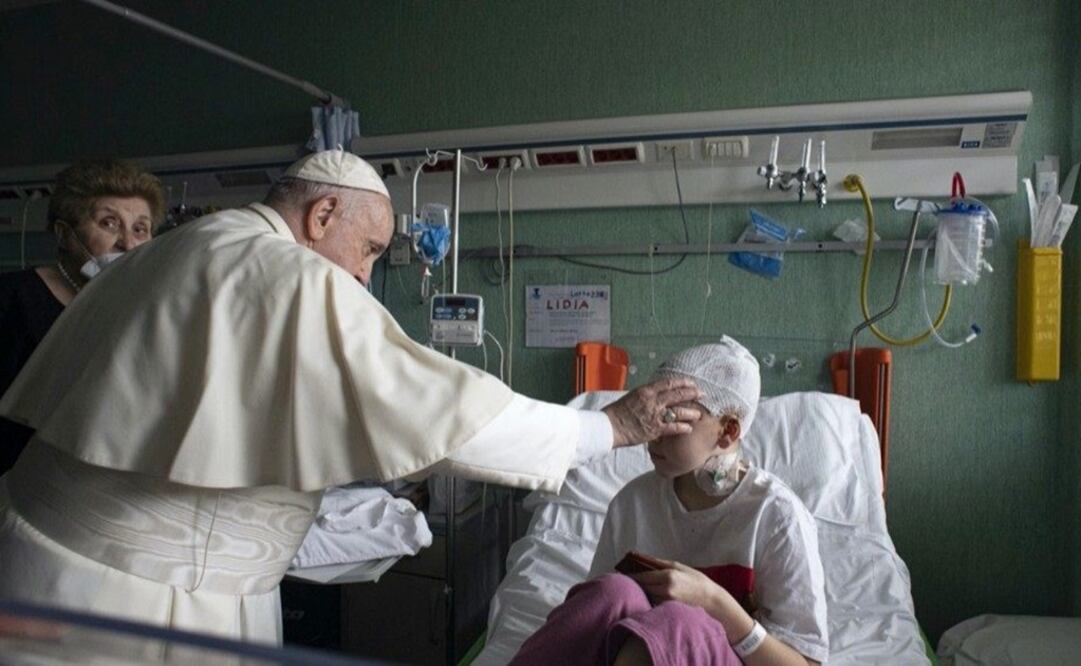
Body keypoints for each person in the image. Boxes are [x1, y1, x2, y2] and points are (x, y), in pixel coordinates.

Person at [0, 149, 703, 645]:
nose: (363, 278)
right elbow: (437, 409)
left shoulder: (183, 247)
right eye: (367, 249)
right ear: (322, 213)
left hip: (51, 559)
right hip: (129, 600)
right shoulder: (283, 272)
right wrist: (607, 427)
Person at [511, 337, 829, 666]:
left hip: (719, 652)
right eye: (652, 415)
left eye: (672, 419)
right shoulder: (632, 503)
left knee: (677, 621)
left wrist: (716, 604)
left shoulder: (776, 516)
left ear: (728, 432)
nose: (651, 430)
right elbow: (597, 626)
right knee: (611, 593)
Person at [0, 159, 162, 474]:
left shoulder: (144, 311)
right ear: (65, 234)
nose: (127, 244)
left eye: (140, 229)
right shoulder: (11, 298)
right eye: (109, 223)